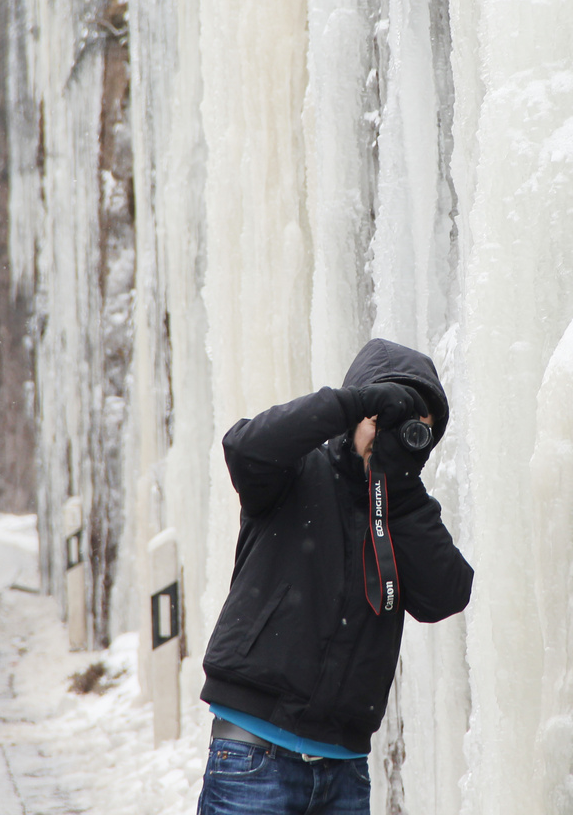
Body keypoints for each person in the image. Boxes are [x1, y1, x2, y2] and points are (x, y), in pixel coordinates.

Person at [197, 338, 474, 815]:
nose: (404, 437)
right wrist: (356, 404)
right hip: (252, 755)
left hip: (344, 772)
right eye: (394, 419)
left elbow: (447, 593)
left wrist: (398, 486)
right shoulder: (296, 472)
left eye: (418, 432)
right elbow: (243, 447)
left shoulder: (404, 511)